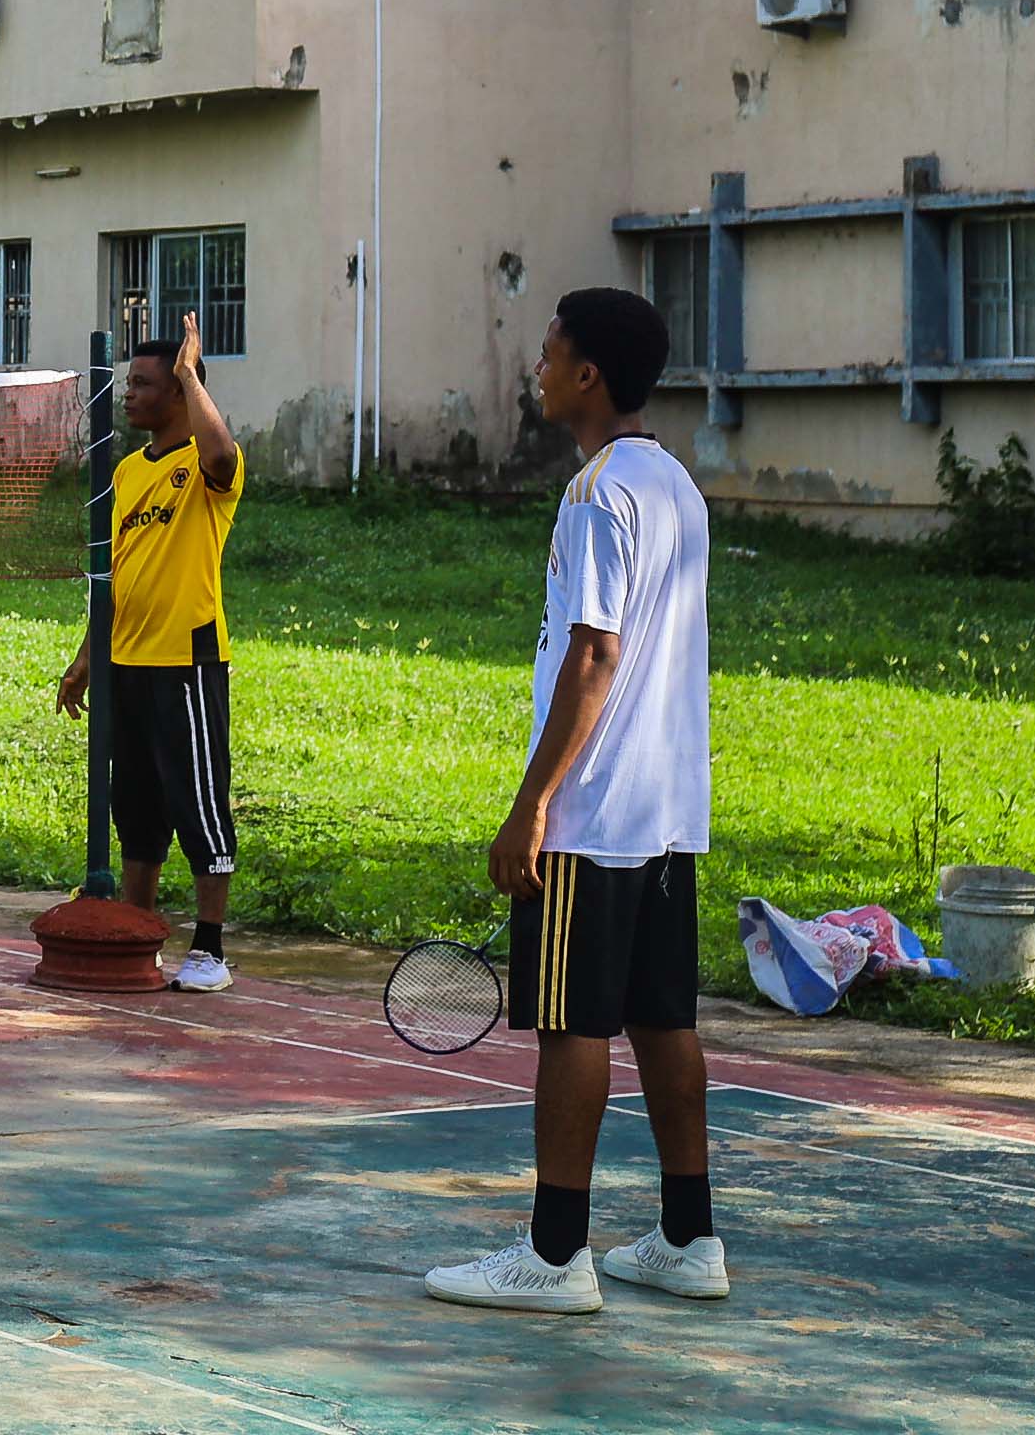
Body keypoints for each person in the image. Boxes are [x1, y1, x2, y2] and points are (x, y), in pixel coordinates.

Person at [426, 286, 724, 1314]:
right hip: (666, 806)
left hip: (592, 810)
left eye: (548, 353)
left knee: (571, 1025)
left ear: (587, 373)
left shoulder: (598, 493)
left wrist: (532, 803)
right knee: (660, 1016)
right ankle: (689, 1234)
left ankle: (555, 1253)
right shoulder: (675, 484)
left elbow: (594, 650)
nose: (536, 368)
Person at [57, 307, 246, 992]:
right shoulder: (128, 473)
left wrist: (195, 375)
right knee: (135, 810)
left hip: (185, 662)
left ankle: (211, 948)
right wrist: (87, 655)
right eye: (127, 382)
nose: (127, 393)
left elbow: (222, 456)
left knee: (196, 802)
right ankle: (138, 933)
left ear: (177, 392)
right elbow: (113, 575)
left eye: (142, 383)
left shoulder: (209, 462)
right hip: (126, 665)